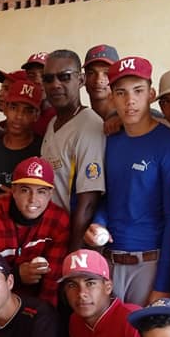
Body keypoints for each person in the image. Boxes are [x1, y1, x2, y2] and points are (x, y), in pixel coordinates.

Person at [85, 56, 170, 306]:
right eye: (121, 92)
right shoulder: (110, 141)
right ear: (112, 97)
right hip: (109, 259)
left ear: (151, 94)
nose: (129, 101)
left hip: (150, 263)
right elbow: (108, 196)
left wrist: (163, 284)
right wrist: (98, 223)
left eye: (138, 91)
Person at [0, 156, 68, 308]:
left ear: (50, 194)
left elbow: (52, 284)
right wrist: (15, 275)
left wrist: (41, 320)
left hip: (35, 305)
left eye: (41, 191)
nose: (32, 199)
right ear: (14, 191)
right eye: (25, 190)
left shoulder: (59, 220)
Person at [40, 50, 106, 250]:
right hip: (50, 236)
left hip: (72, 241)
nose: (56, 84)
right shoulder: (52, 123)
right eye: (48, 79)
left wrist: (74, 253)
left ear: (81, 80)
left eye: (65, 77)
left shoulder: (90, 125)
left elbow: (88, 201)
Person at [0, 76, 43, 202]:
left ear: (36, 115)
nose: (19, 116)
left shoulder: (44, 152)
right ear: (4, 108)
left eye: (27, 111)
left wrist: (18, 198)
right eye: (13, 108)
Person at [83, 44, 121, 135]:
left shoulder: (130, 117)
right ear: (83, 79)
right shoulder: (84, 121)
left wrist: (123, 119)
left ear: (117, 78)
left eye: (106, 73)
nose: (98, 80)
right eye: (91, 73)